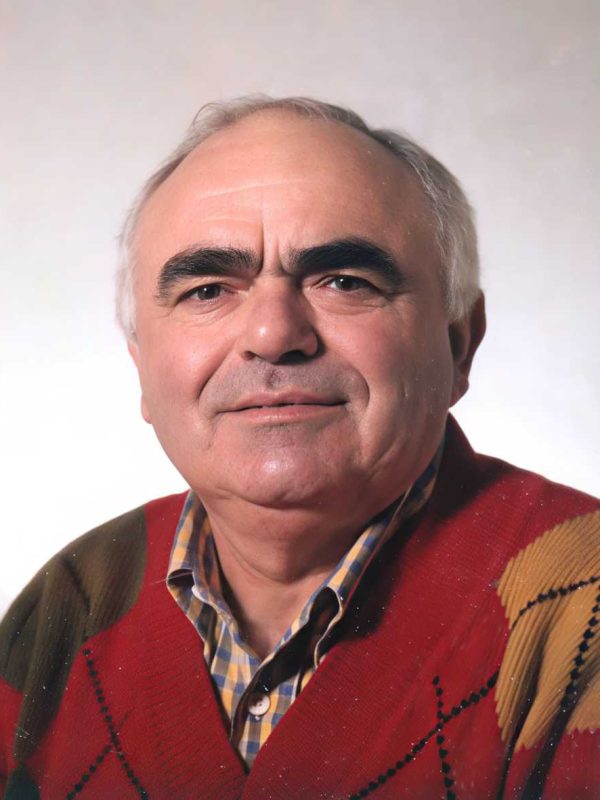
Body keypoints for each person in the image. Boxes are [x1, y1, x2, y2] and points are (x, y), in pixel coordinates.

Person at [0, 96, 598, 800]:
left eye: (344, 282)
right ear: (143, 369)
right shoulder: (71, 600)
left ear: (458, 344)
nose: (273, 335)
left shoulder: (580, 612)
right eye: (208, 290)